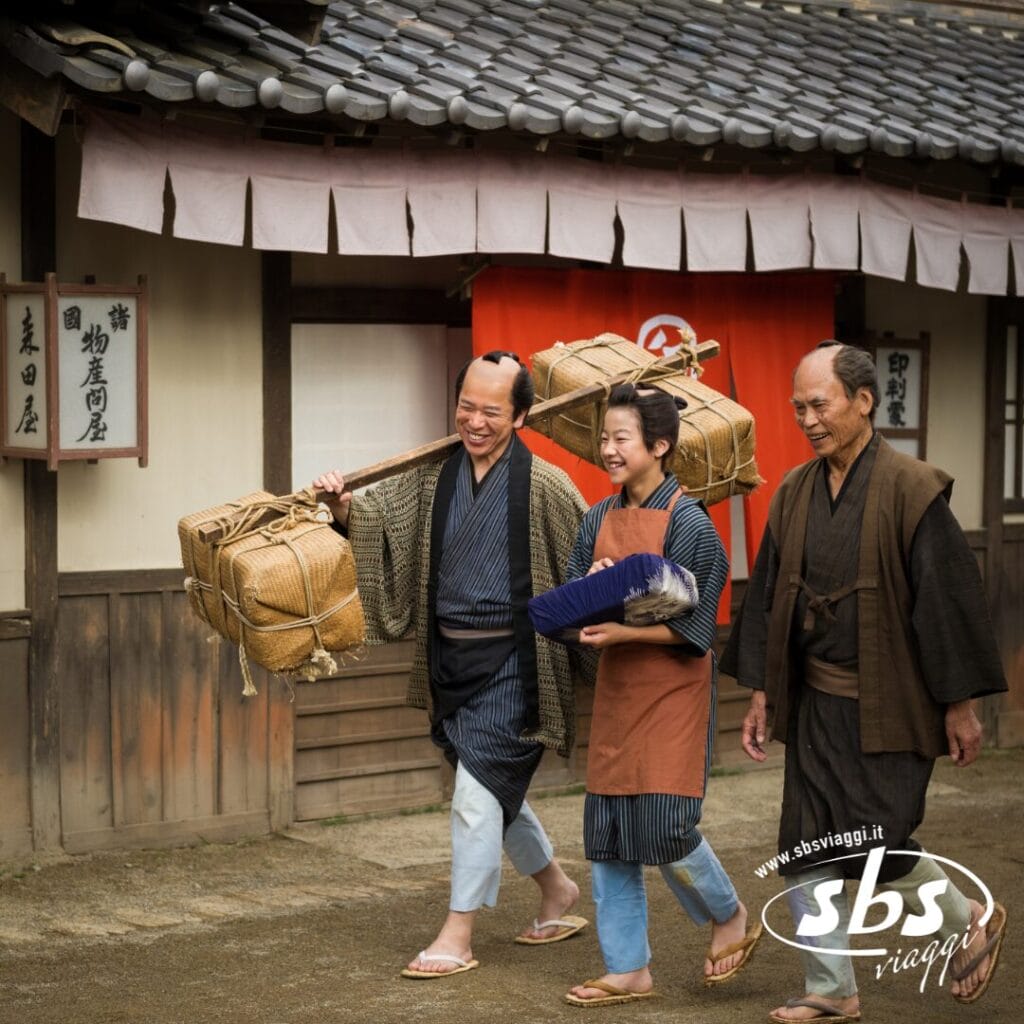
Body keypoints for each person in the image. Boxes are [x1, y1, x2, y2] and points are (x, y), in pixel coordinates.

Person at [721, 341, 1008, 1021]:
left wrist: (960, 707)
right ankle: (831, 988)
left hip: (889, 705)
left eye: (819, 404)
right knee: (803, 848)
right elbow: (766, 596)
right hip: (817, 701)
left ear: (863, 401)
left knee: (877, 843)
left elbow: (946, 604)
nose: (808, 419)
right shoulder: (794, 491)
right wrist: (762, 691)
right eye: (798, 408)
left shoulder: (913, 490)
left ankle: (965, 914)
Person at [314, 351, 592, 980]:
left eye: (491, 411)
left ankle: (457, 934)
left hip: (518, 663)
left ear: (521, 415)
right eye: (466, 405)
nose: (474, 420)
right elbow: (381, 523)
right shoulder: (434, 476)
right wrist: (343, 508)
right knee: (490, 787)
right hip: (448, 658)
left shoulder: (546, 485)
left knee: (473, 795)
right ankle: (556, 890)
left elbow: (588, 552)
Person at [561, 383, 761, 1007]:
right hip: (618, 695)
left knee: (668, 827)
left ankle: (728, 914)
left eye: (621, 439)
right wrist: (588, 596)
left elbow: (697, 627)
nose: (608, 450)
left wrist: (619, 622)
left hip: (674, 694)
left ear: (660, 445)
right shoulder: (595, 518)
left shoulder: (692, 523)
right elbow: (570, 602)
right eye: (604, 439)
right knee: (610, 834)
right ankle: (627, 968)